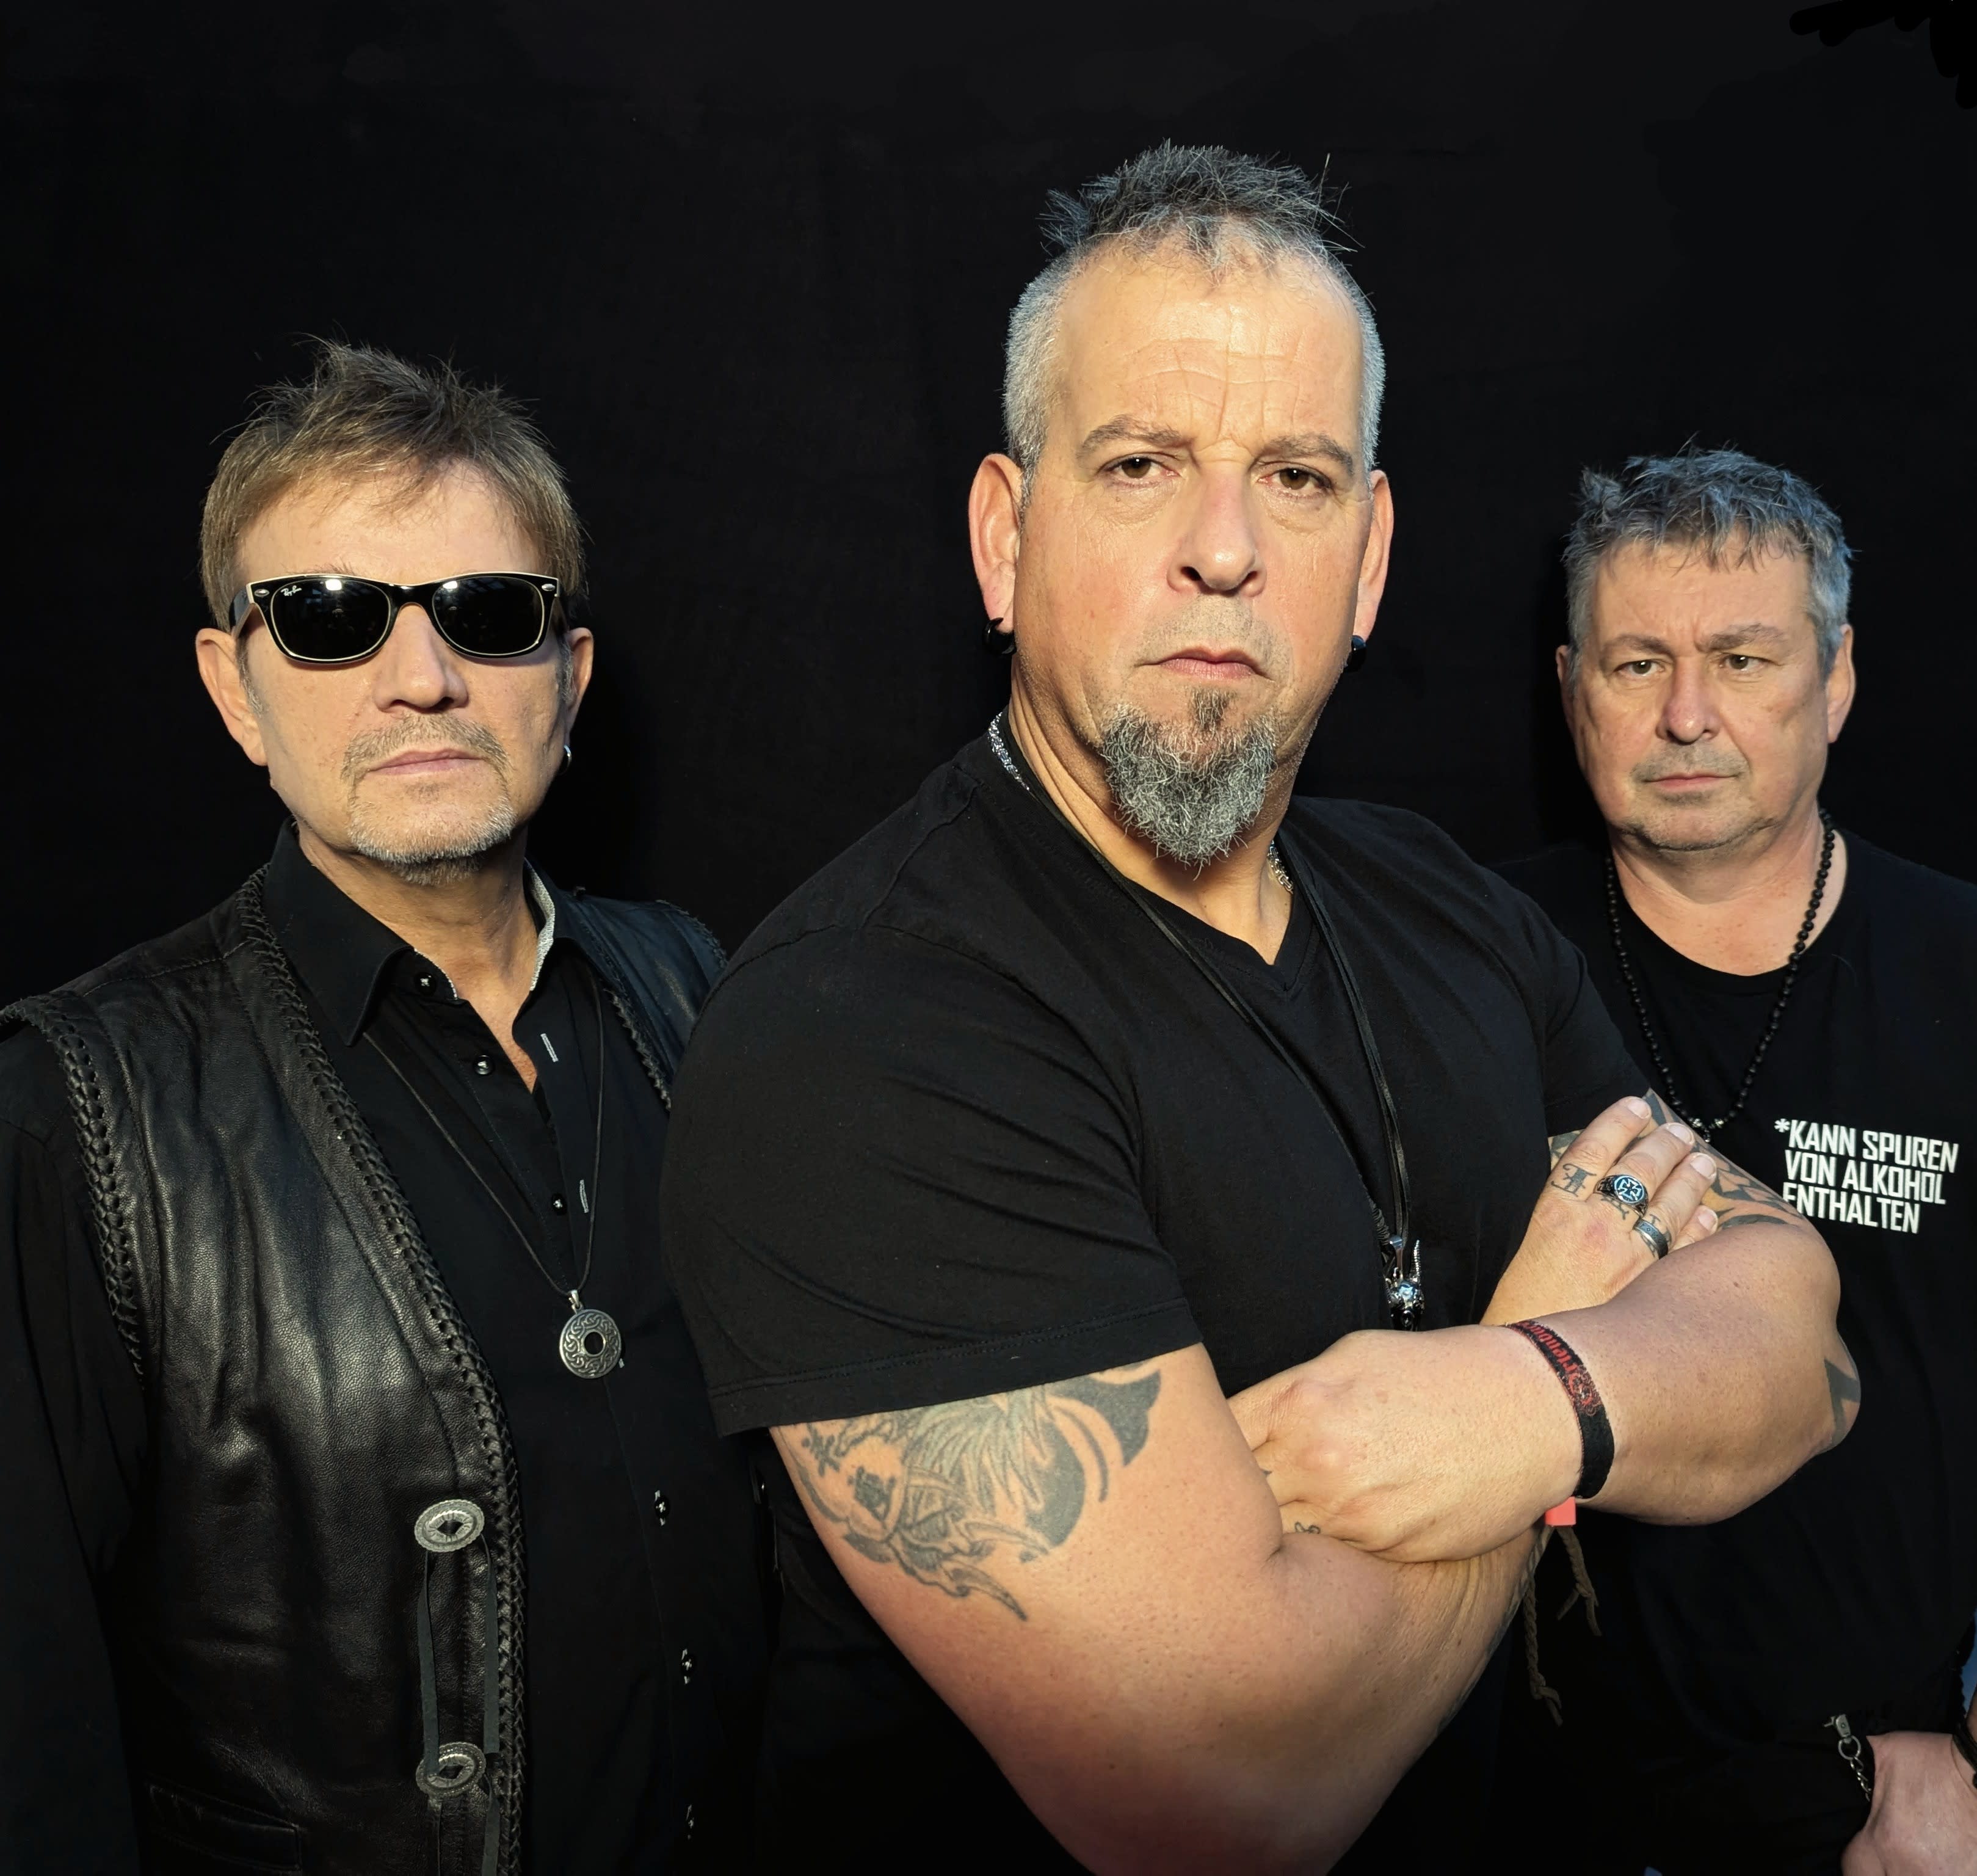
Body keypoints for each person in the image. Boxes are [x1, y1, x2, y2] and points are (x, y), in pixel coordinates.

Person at [659, 145, 1852, 1873]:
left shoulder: (1437, 902)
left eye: (1294, 479)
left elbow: (1798, 1334)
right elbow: (1223, 1808)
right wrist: (1568, 1323)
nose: (1221, 551)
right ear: (1004, 535)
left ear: (1365, 560)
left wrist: (1518, 1398)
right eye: (1139, 466)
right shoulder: (863, 1027)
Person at [0, 343, 771, 1874]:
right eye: (330, 618)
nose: (422, 678)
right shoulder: (75, 1104)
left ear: (569, 677)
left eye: (487, 612)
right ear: (234, 689)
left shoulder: (696, 985)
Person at [1493, 448, 1977, 1875]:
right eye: (1635, 663)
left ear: (1832, 681)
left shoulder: (1962, 972)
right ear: (1570, 687)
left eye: (1740, 659)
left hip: (1882, 1812)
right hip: (1529, 1805)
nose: (1684, 715)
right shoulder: (1457, 965)